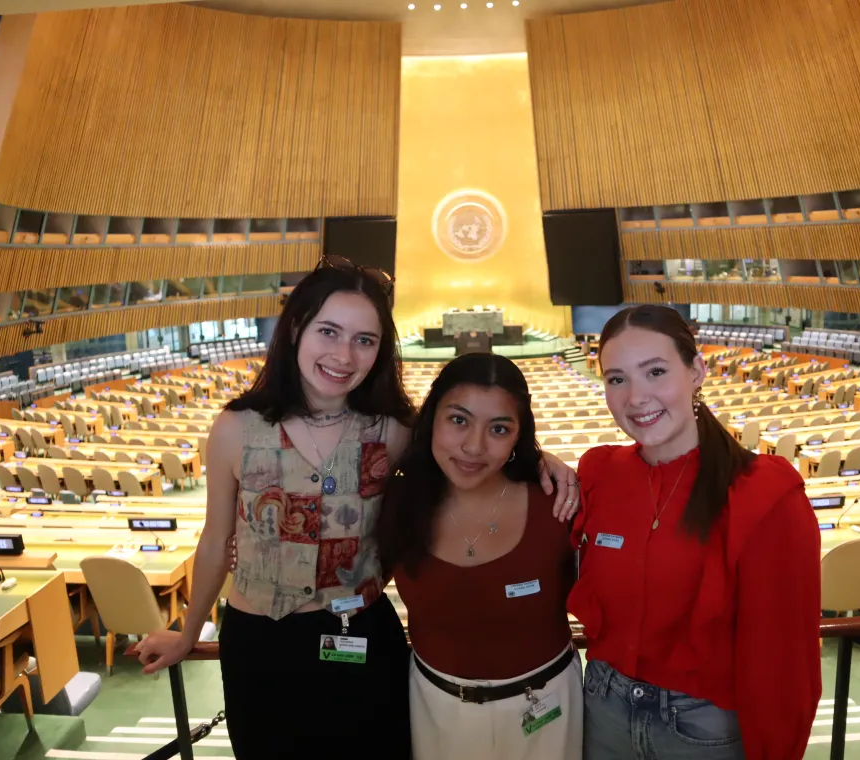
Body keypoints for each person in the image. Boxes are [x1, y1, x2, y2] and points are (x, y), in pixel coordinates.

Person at [136, 256, 581, 758]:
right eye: (329, 331)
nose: (343, 355)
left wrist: (543, 457)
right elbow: (217, 540)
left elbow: (465, 441)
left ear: (380, 351)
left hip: (360, 634)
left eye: (364, 341)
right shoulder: (235, 428)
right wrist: (188, 632)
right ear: (297, 328)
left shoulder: (392, 431)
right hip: (260, 643)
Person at [570, 305, 821, 760]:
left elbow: (784, 661)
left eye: (656, 372)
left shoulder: (765, 493)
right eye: (617, 379)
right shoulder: (598, 473)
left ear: (697, 371)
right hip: (601, 710)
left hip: (703, 729)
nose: (636, 397)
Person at [375, 353, 581, 760]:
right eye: (458, 420)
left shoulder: (556, 503)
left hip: (547, 708)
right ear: (431, 417)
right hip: (436, 708)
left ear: (519, 436)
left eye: (499, 429)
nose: (474, 446)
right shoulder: (396, 501)